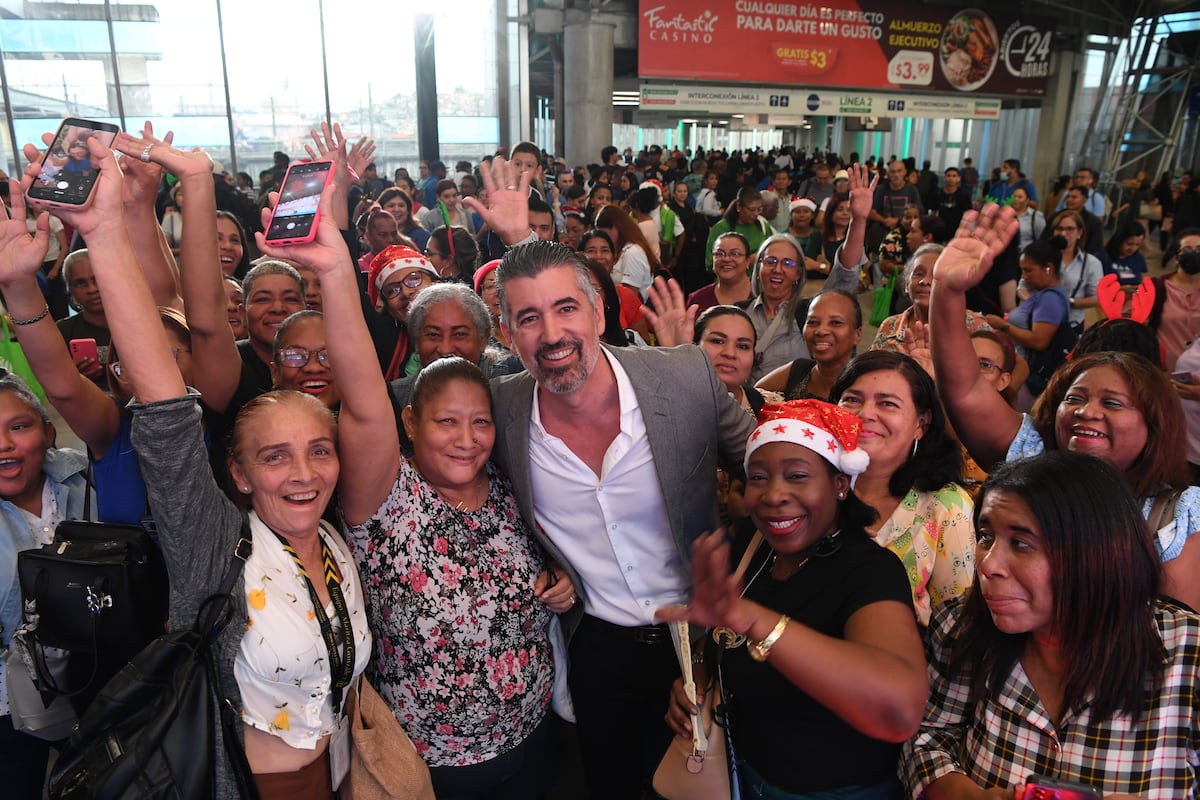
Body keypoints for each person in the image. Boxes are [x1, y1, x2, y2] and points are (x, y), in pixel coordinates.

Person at [465, 158, 757, 798]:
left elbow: (763, 470)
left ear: (599, 311)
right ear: (509, 336)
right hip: (594, 647)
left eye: (567, 309)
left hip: (701, 640)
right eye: (529, 320)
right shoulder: (500, 409)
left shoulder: (682, 376)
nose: (551, 333)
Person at [929, 202, 1200, 611]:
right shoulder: (1034, 457)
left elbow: (1168, 641)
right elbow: (964, 389)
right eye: (1074, 398)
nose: (1086, 411)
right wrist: (946, 290)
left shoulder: (1175, 520)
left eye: (1112, 402)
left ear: (1154, 424)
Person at [658, 400, 927, 799]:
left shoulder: (870, 570)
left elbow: (898, 710)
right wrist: (694, 677)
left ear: (839, 484)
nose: (774, 495)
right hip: (744, 777)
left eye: (797, 476)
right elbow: (717, 636)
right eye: (758, 477)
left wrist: (755, 620)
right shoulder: (753, 545)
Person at [902, 451, 1200, 800]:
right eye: (985, 536)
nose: (989, 564)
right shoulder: (961, 628)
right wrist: (968, 794)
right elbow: (929, 735)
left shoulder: (1187, 653)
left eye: (1022, 544)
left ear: (1095, 552)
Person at [829, 351, 976, 625]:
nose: (865, 414)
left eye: (887, 403)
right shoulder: (809, 487)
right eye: (852, 399)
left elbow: (956, 626)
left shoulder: (945, 507)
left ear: (921, 423)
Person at [738, 164, 873, 383]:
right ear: (759, 266)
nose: (778, 269)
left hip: (795, 412)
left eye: (788, 263)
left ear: (799, 274)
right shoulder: (739, 314)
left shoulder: (807, 314)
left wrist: (858, 221)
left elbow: (845, 275)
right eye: (770, 261)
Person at [756, 289, 862, 402]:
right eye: (813, 322)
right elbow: (750, 400)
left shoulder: (867, 384)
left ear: (857, 334)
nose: (821, 331)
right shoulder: (796, 372)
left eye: (836, 323)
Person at [693, 304, 782, 416]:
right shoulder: (669, 402)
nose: (730, 353)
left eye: (742, 346)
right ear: (693, 345)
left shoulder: (772, 407)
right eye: (718, 341)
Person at [1148, 228, 1200, 370]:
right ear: (1177, 257)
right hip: (1162, 370)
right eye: (1187, 249)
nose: (1195, 254)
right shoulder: (1157, 287)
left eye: (1199, 249)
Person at [595, 203, 661, 300]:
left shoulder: (632, 253)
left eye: (604, 233)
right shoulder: (621, 251)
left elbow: (630, 297)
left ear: (616, 228)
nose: (603, 238)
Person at [705, 187, 772, 271]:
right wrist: (747, 261)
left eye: (759, 209)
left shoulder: (762, 225)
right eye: (751, 209)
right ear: (738, 206)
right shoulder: (721, 228)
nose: (756, 214)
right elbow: (710, 264)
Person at [687, 231, 754, 314]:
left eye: (735, 254)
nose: (726, 259)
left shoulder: (762, 295)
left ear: (747, 261)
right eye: (719, 254)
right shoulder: (698, 300)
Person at [376, 186, 430, 251]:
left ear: (408, 210)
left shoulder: (422, 235)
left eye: (401, 205)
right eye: (391, 206)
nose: (396, 209)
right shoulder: (374, 235)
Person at [1100, 221, 1149, 286]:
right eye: (1129, 244)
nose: (1133, 248)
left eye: (1137, 245)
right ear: (1119, 240)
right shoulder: (1102, 257)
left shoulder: (1139, 258)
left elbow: (1144, 281)